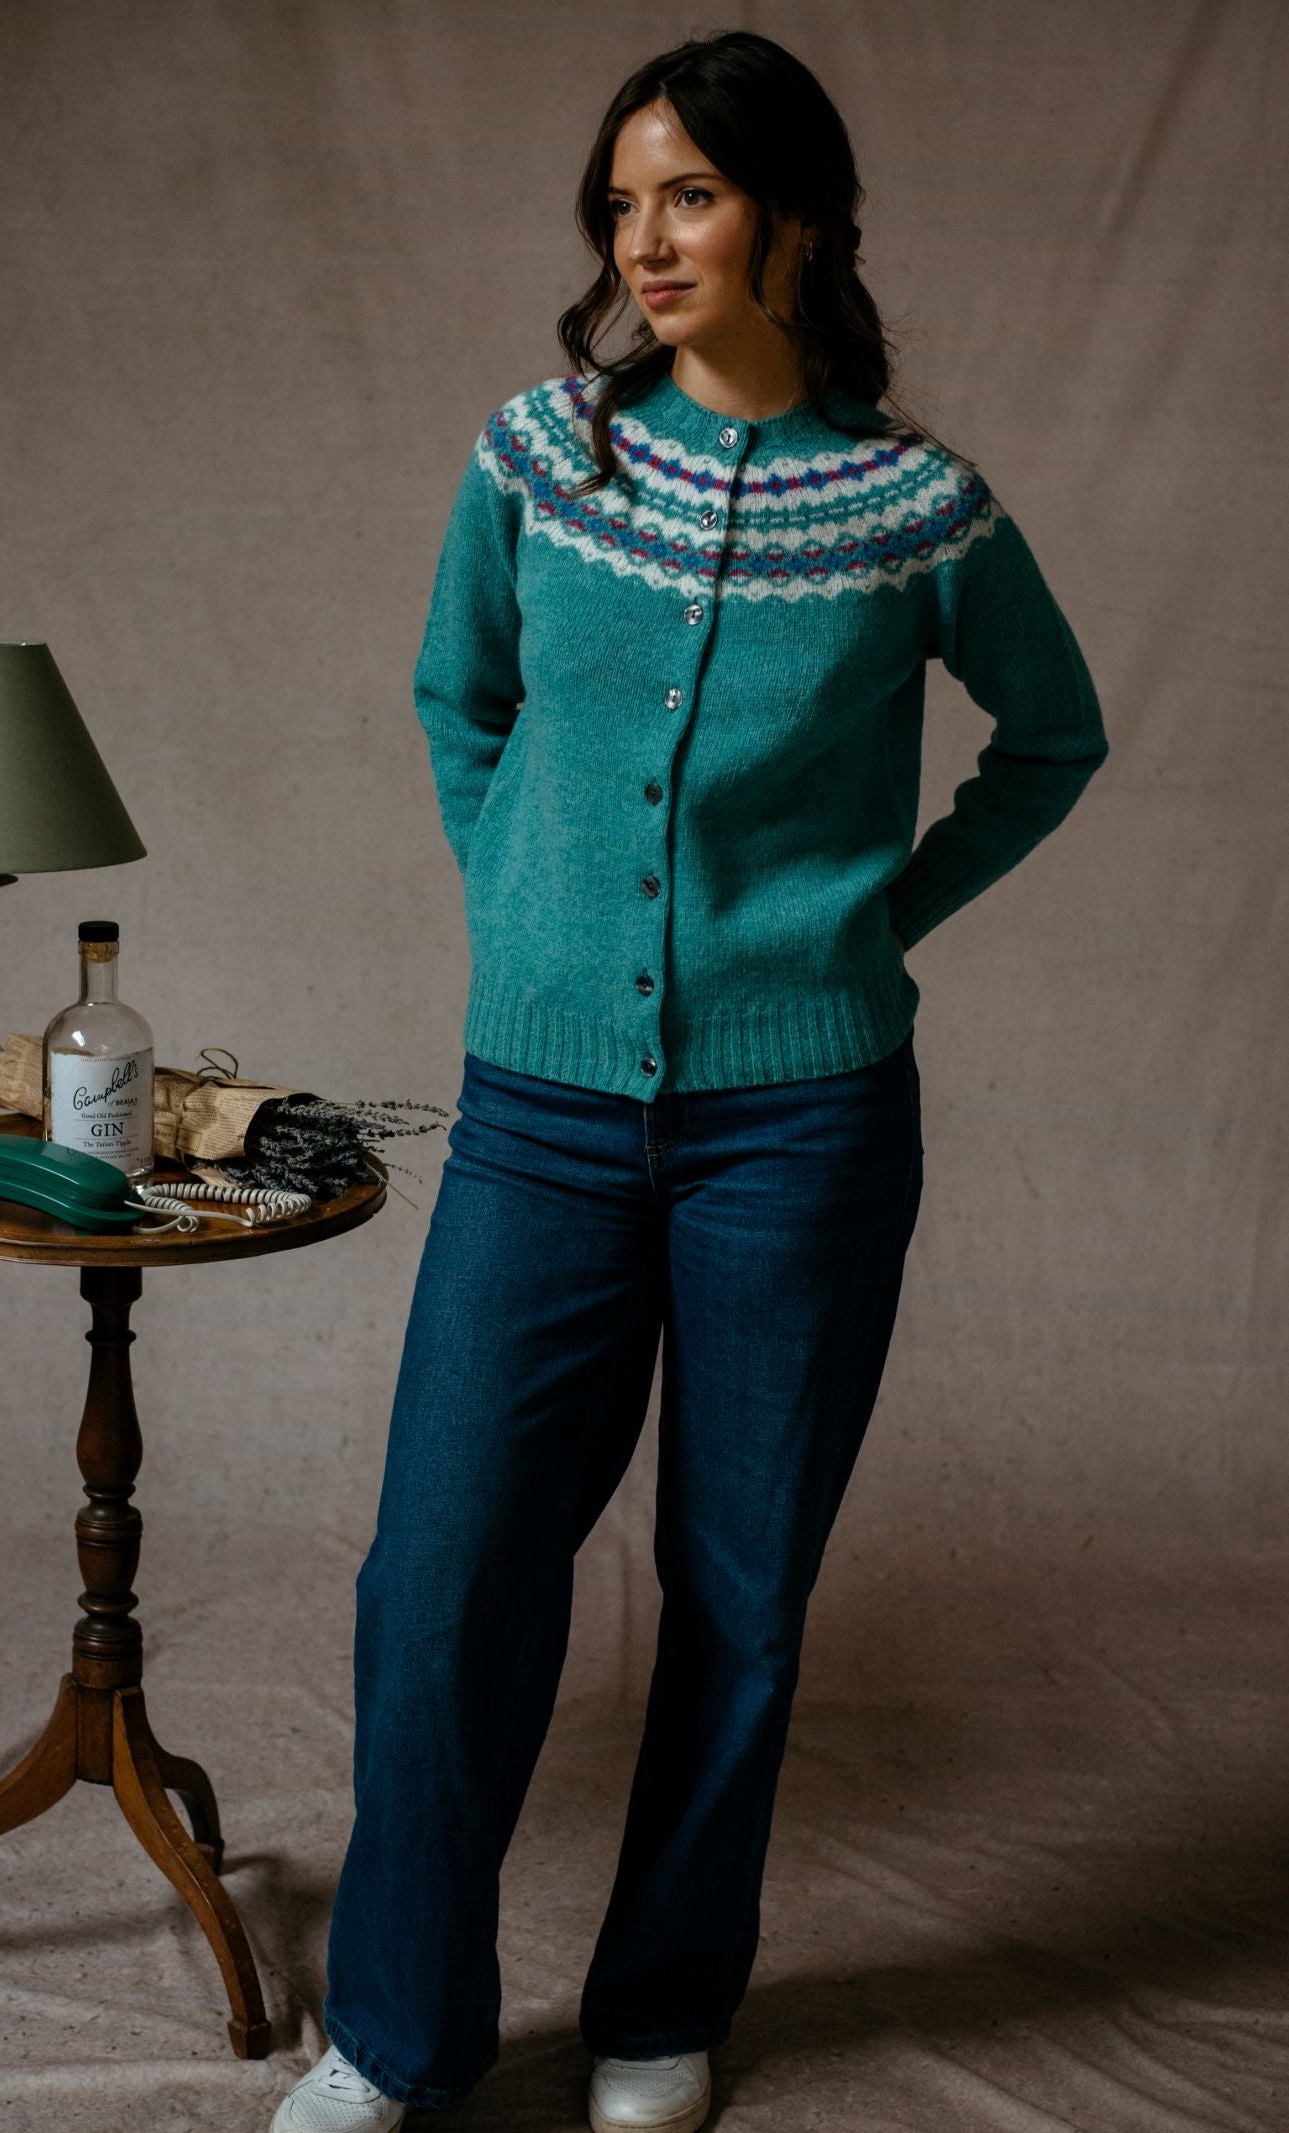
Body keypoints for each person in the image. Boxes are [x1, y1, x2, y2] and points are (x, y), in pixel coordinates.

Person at [270, 26, 1108, 2133]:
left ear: (792, 219)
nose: (645, 241)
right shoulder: (540, 457)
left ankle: (661, 2000)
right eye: (623, 202)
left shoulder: (913, 503)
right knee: (441, 1576)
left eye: (692, 197)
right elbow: (456, 695)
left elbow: (1052, 739)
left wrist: (870, 921)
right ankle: (395, 2029)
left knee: (737, 1591)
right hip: (539, 1118)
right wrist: (520, 899)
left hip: (801, 1127)